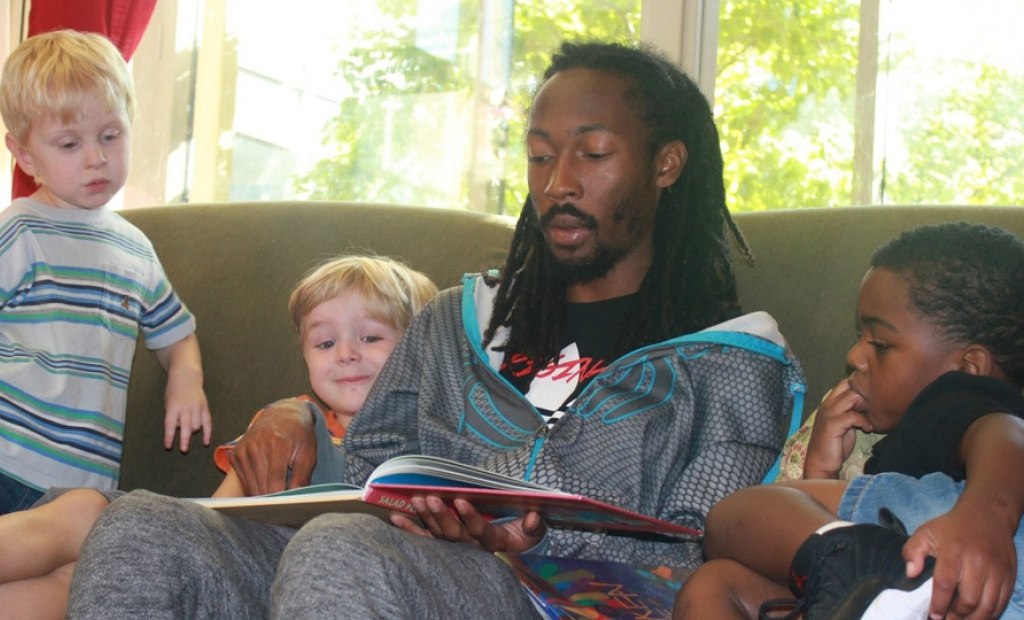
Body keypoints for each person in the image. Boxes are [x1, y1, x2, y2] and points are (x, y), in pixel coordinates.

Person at [66, 40, 805, 619]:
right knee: (140, 526)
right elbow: (368, 470)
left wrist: (522, 539)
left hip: (559, 600)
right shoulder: (456, 320)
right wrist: (316, 427)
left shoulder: (730, 364)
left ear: (667, 165)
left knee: (342, 551)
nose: (558, 183)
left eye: (593, 153)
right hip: (383, 567)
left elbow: (703, 552)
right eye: (540, 156)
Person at [0, 255, 438, 620]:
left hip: (291, 580)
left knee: (92, 562)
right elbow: (207, 520)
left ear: (419, 353)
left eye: (370, 337)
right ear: (305, 358)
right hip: (207, 552)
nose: (345, 353)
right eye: (325, 342)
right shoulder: (291, 425)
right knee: (86, 530)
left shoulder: (429, 445)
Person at [0, 29, 211, 531]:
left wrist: (185, 382)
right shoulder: (18, 228)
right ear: (26, 155)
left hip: (72, 487)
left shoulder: (137, 250)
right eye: (69, 143)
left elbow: (176, 333)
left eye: (110, 135)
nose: (95, 157)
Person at [673, 222, 1024, 620]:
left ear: (969, 366)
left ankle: (857, 567)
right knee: (716, 583)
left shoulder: (952, 398)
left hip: (947, 560)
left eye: (881, 344)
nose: (855, 356)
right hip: (898, 576)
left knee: (736, 515)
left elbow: (1005, 433)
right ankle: (854, 571)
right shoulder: (910, 439)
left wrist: (986, 517)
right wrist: (820, 471)